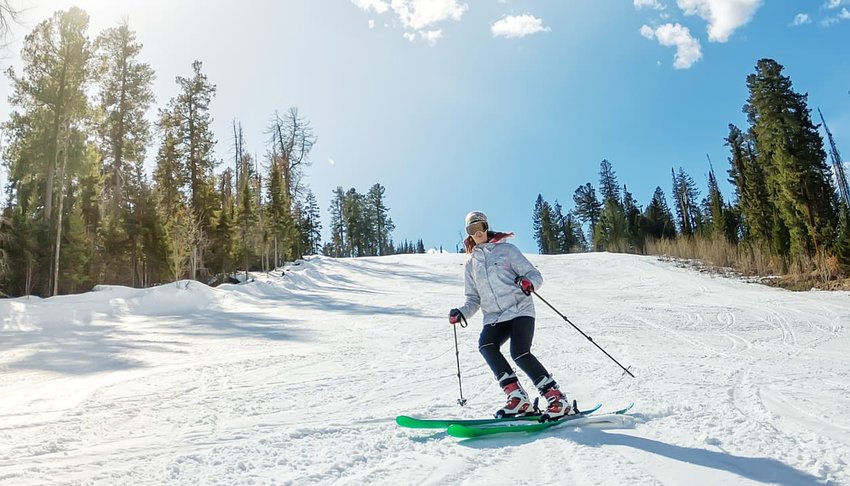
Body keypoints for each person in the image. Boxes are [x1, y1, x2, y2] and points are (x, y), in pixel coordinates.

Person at [449, 211, 571, 420]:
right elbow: (473, 299)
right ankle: (518, 399)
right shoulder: (471, 264)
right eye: (472, 229)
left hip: (519, 309)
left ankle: (556, 398)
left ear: (487, 227)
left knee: (520, 352)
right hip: (495, 317)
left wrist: (528, 283)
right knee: (486, 345)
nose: (477, 232)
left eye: (481, 227)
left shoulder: (506, 250)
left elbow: (535, 275)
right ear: (468, 234)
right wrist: (461, 312)